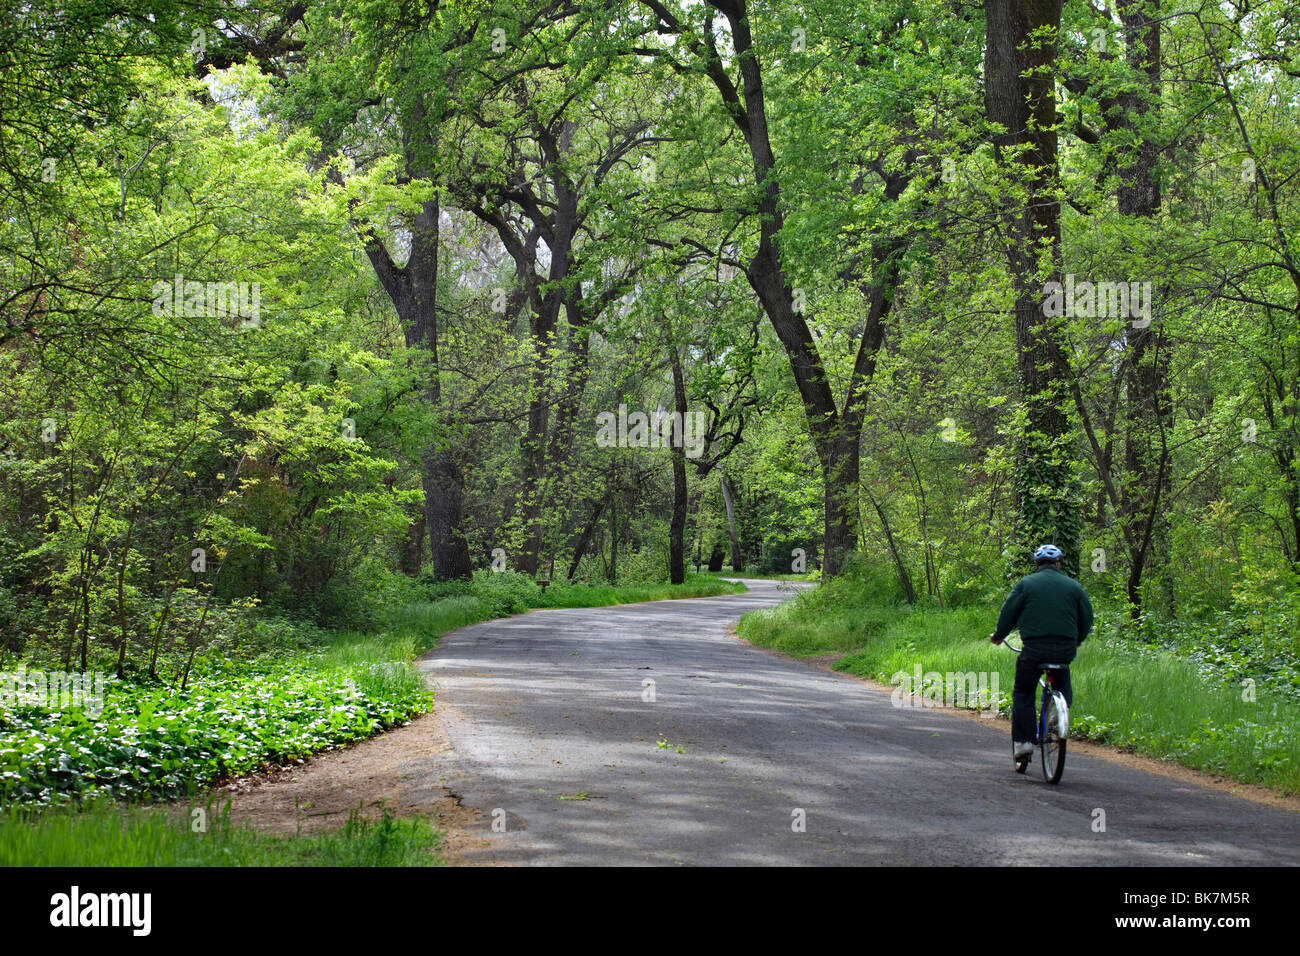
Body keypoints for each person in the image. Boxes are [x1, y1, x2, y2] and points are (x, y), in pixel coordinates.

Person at [988, 544, 1093, 762]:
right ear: (1058, 563)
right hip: (1065, 649)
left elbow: (1009, 612)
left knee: (1023, 692)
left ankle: (1024, 743)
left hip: (1034, 649)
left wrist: (999, 635)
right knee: (1062, 675)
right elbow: (1087, 617)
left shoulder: (1026, 584)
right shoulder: (1074, 587)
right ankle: (1060, 711)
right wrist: (1078, 639)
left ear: (1037, 564)